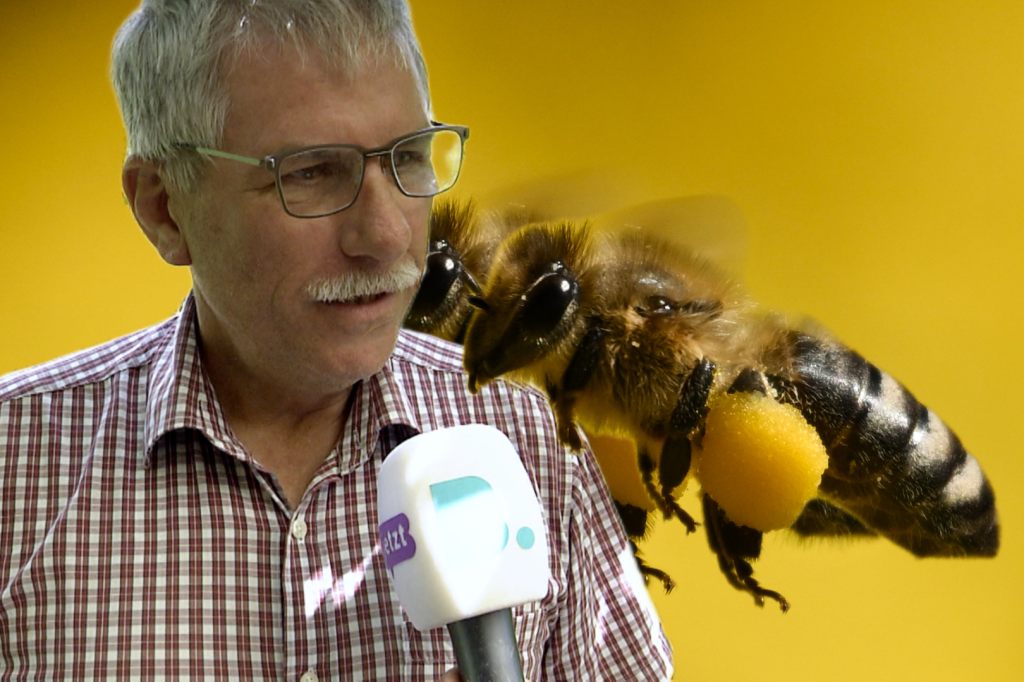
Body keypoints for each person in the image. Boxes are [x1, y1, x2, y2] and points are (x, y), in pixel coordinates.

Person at [0, 1, 673, 679]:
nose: (386, 235)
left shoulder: (529, 443)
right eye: (311, 172)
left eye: (408, 158)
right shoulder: (14, 462)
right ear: (164, 207)